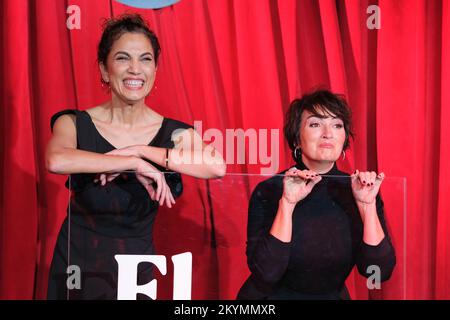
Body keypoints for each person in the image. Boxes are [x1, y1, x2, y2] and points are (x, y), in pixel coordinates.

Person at [46, 14, 226, 300]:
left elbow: (217, 167)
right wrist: (132, 163)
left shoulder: (174, 132)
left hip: (138, 272)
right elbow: (56, 159)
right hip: (77, 268)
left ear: (155, 68)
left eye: (145, 59)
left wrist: (140, 150)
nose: (135, 69)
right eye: (122, 58)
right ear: (104, 70)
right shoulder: (73, 122)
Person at [237, 90, 396, 300]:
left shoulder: (360, 189)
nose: (327, 133)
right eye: (315, 124)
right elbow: (266, 273)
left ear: (345, 139)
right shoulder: (270, 189)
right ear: (297, 138)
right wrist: (288, 203)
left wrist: (366, 206)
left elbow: (378, 272)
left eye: (337, 125)